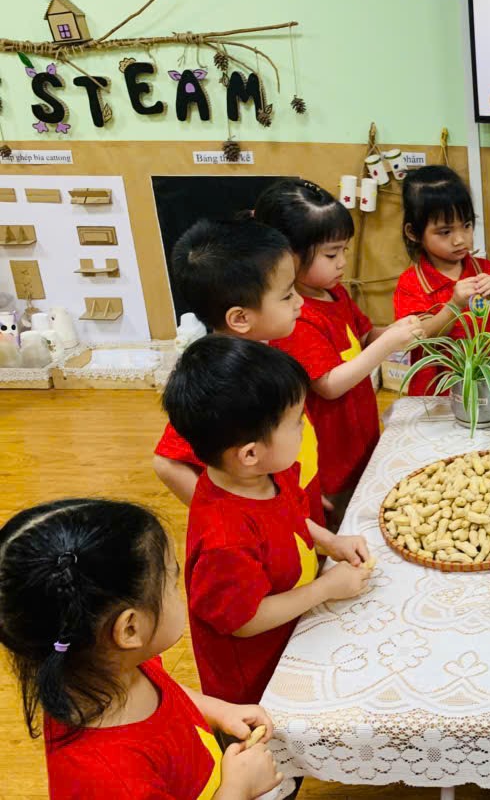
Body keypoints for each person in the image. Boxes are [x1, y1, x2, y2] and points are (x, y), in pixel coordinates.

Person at [0, 498, 283, 799]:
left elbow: (168, 693)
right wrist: (237, 789)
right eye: (172, 583)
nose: (180, 592)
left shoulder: (99, 665)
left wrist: (220, 711)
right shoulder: (111, 782)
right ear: (130, 629)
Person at [163, 335, 373, 706]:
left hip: (297, 634)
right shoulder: (225, 539)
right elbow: (246, 620)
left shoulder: (270, 473)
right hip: (258, 683)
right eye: (296, 422)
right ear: (249, 454)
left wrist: (330, 541)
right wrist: (325, 588)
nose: (305, 428)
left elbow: (291, 517)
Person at [255, 179, 424, 517]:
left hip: (359, 436)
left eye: (345, 250)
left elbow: (363, 337)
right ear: (287, 255)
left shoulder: (335, 293)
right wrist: (389, 343)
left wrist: (398, 330)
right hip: (331, 456)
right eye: (331, 254)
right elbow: (329, 384)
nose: (342, 262)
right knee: (343, 520)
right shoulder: (295, 317)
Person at [152, 217, 326, 525]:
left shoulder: (268, 345)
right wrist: (234, 516)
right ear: (241, 318)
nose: (300, 301)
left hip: (296, 498)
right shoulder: (225, 380)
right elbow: (166, 463)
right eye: (287, 295)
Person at [392, 165, 490, 395]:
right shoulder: (411, 283)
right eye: (445, 232)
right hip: (435, 394)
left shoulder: (485, 270)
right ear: (413, 233)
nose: (460, 240)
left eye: (467, 225)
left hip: (488, 386)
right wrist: (454, 306)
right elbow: (419, 337)